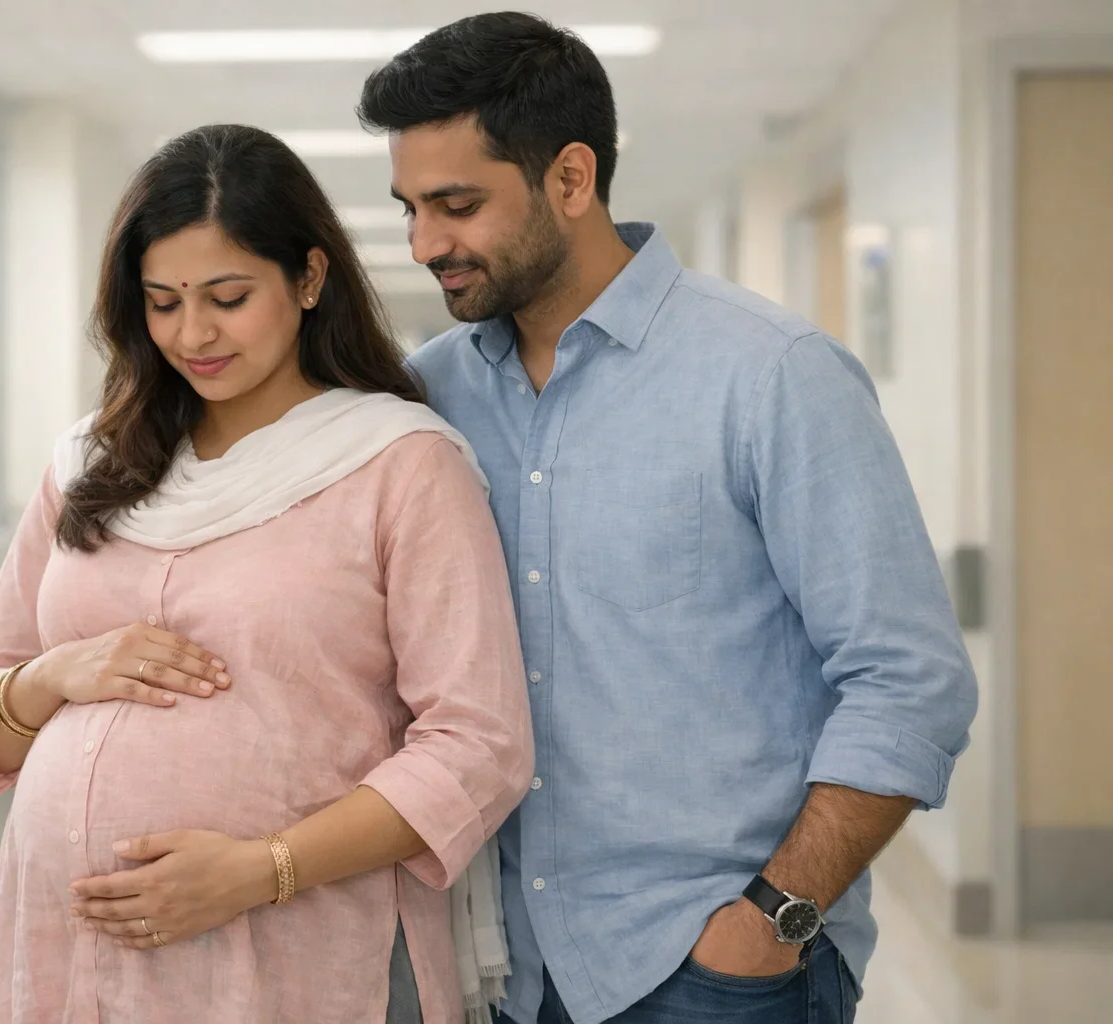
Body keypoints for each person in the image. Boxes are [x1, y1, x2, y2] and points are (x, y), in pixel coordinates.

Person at [358, 13, 978, 1024]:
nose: (427, 244)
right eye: (409, 210)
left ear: (570, 178)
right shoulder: (425, 404)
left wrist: (771, 917)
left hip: (714, 973)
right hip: (500, 973)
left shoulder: (771, 376)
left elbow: (911, 680)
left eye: (457, 204)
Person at [0, 123, 534, 1024]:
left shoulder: (398, 464)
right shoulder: (89, 462)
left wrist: (264, 870)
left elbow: (480, 746)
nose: (193, 333)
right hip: (75, 957)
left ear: (308, 279)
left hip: (307, 952)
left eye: (227, 296)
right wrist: (54, 674)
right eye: (163, 301)